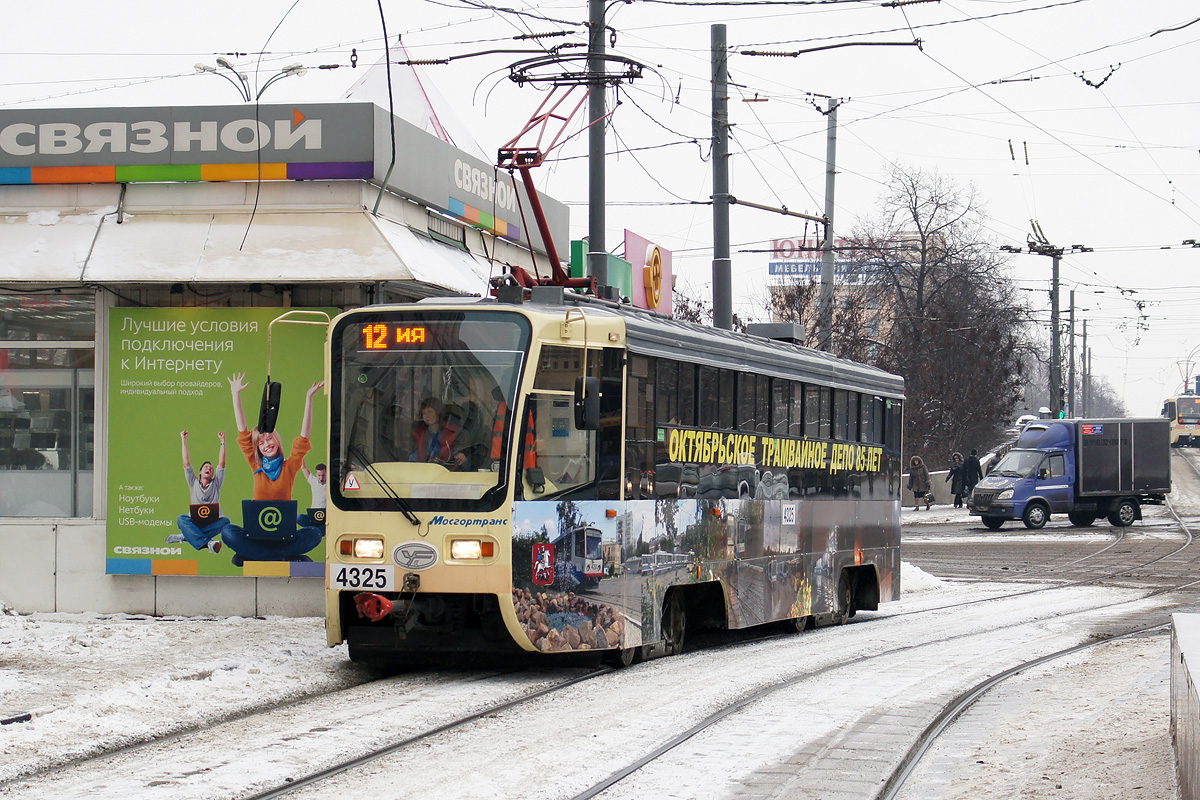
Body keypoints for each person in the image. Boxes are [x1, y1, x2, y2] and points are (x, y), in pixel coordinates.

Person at [222, 374, 325, 566]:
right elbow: (243, 432)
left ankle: (254, 557)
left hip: (284, 537)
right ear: (257, 449)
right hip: (257, 536)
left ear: (277, 440)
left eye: (269, 438)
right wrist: (235, 394)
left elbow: (304, 437)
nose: (266, 444)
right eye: (260, 442)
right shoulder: (256, 465)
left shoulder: (290, 466)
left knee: (314, 533)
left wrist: (309, 399)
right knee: (228, 532)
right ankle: (280, 558)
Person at [167, 429, 227, 553]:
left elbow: (221, 463)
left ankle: (186, 536)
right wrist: (184, 441)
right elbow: (186, 462)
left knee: (226, 522)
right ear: (200, 472)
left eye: (211, 468)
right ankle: (208, 543)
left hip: (212, 522)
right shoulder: (193, 482)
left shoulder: (216, 483)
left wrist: (223, 442)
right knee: (181, 519)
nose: (209, 469)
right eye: (206, 467)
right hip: (195, 521)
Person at [411, 397, 458, 465]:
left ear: (438, 412)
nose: (427, 416)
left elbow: (458, 454)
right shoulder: (419, 434)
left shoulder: (451, 432)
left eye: (430, 411)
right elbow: (414, 455)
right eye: (424, 413)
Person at [298, 460, 326, 529]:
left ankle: (316, 529)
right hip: (313, 515)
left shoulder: (330, 484)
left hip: (326, 516)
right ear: (316, 474)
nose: (321, 478)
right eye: (319, 475)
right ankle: (315, 528)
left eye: (323, 475)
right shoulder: (313, 481)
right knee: (299, 517)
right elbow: (303, 467)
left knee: (324, 527)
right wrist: (301, 450)